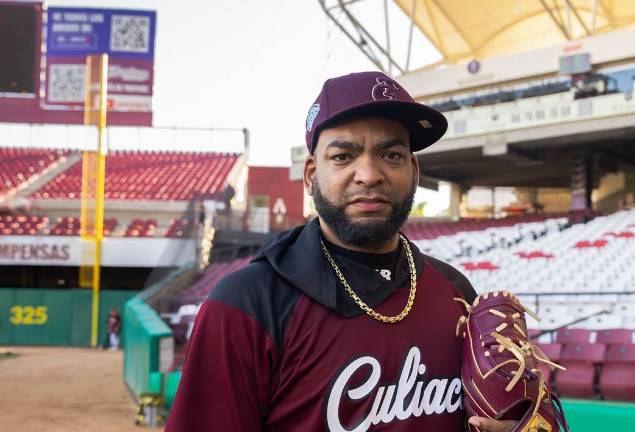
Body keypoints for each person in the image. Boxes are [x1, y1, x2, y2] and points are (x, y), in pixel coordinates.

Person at [166, 71, 514, 432]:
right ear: (310, 175)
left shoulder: (456, 291)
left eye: (391, 154)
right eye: (343, 156)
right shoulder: (246, 303)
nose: (369, 174)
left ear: (413, 170)